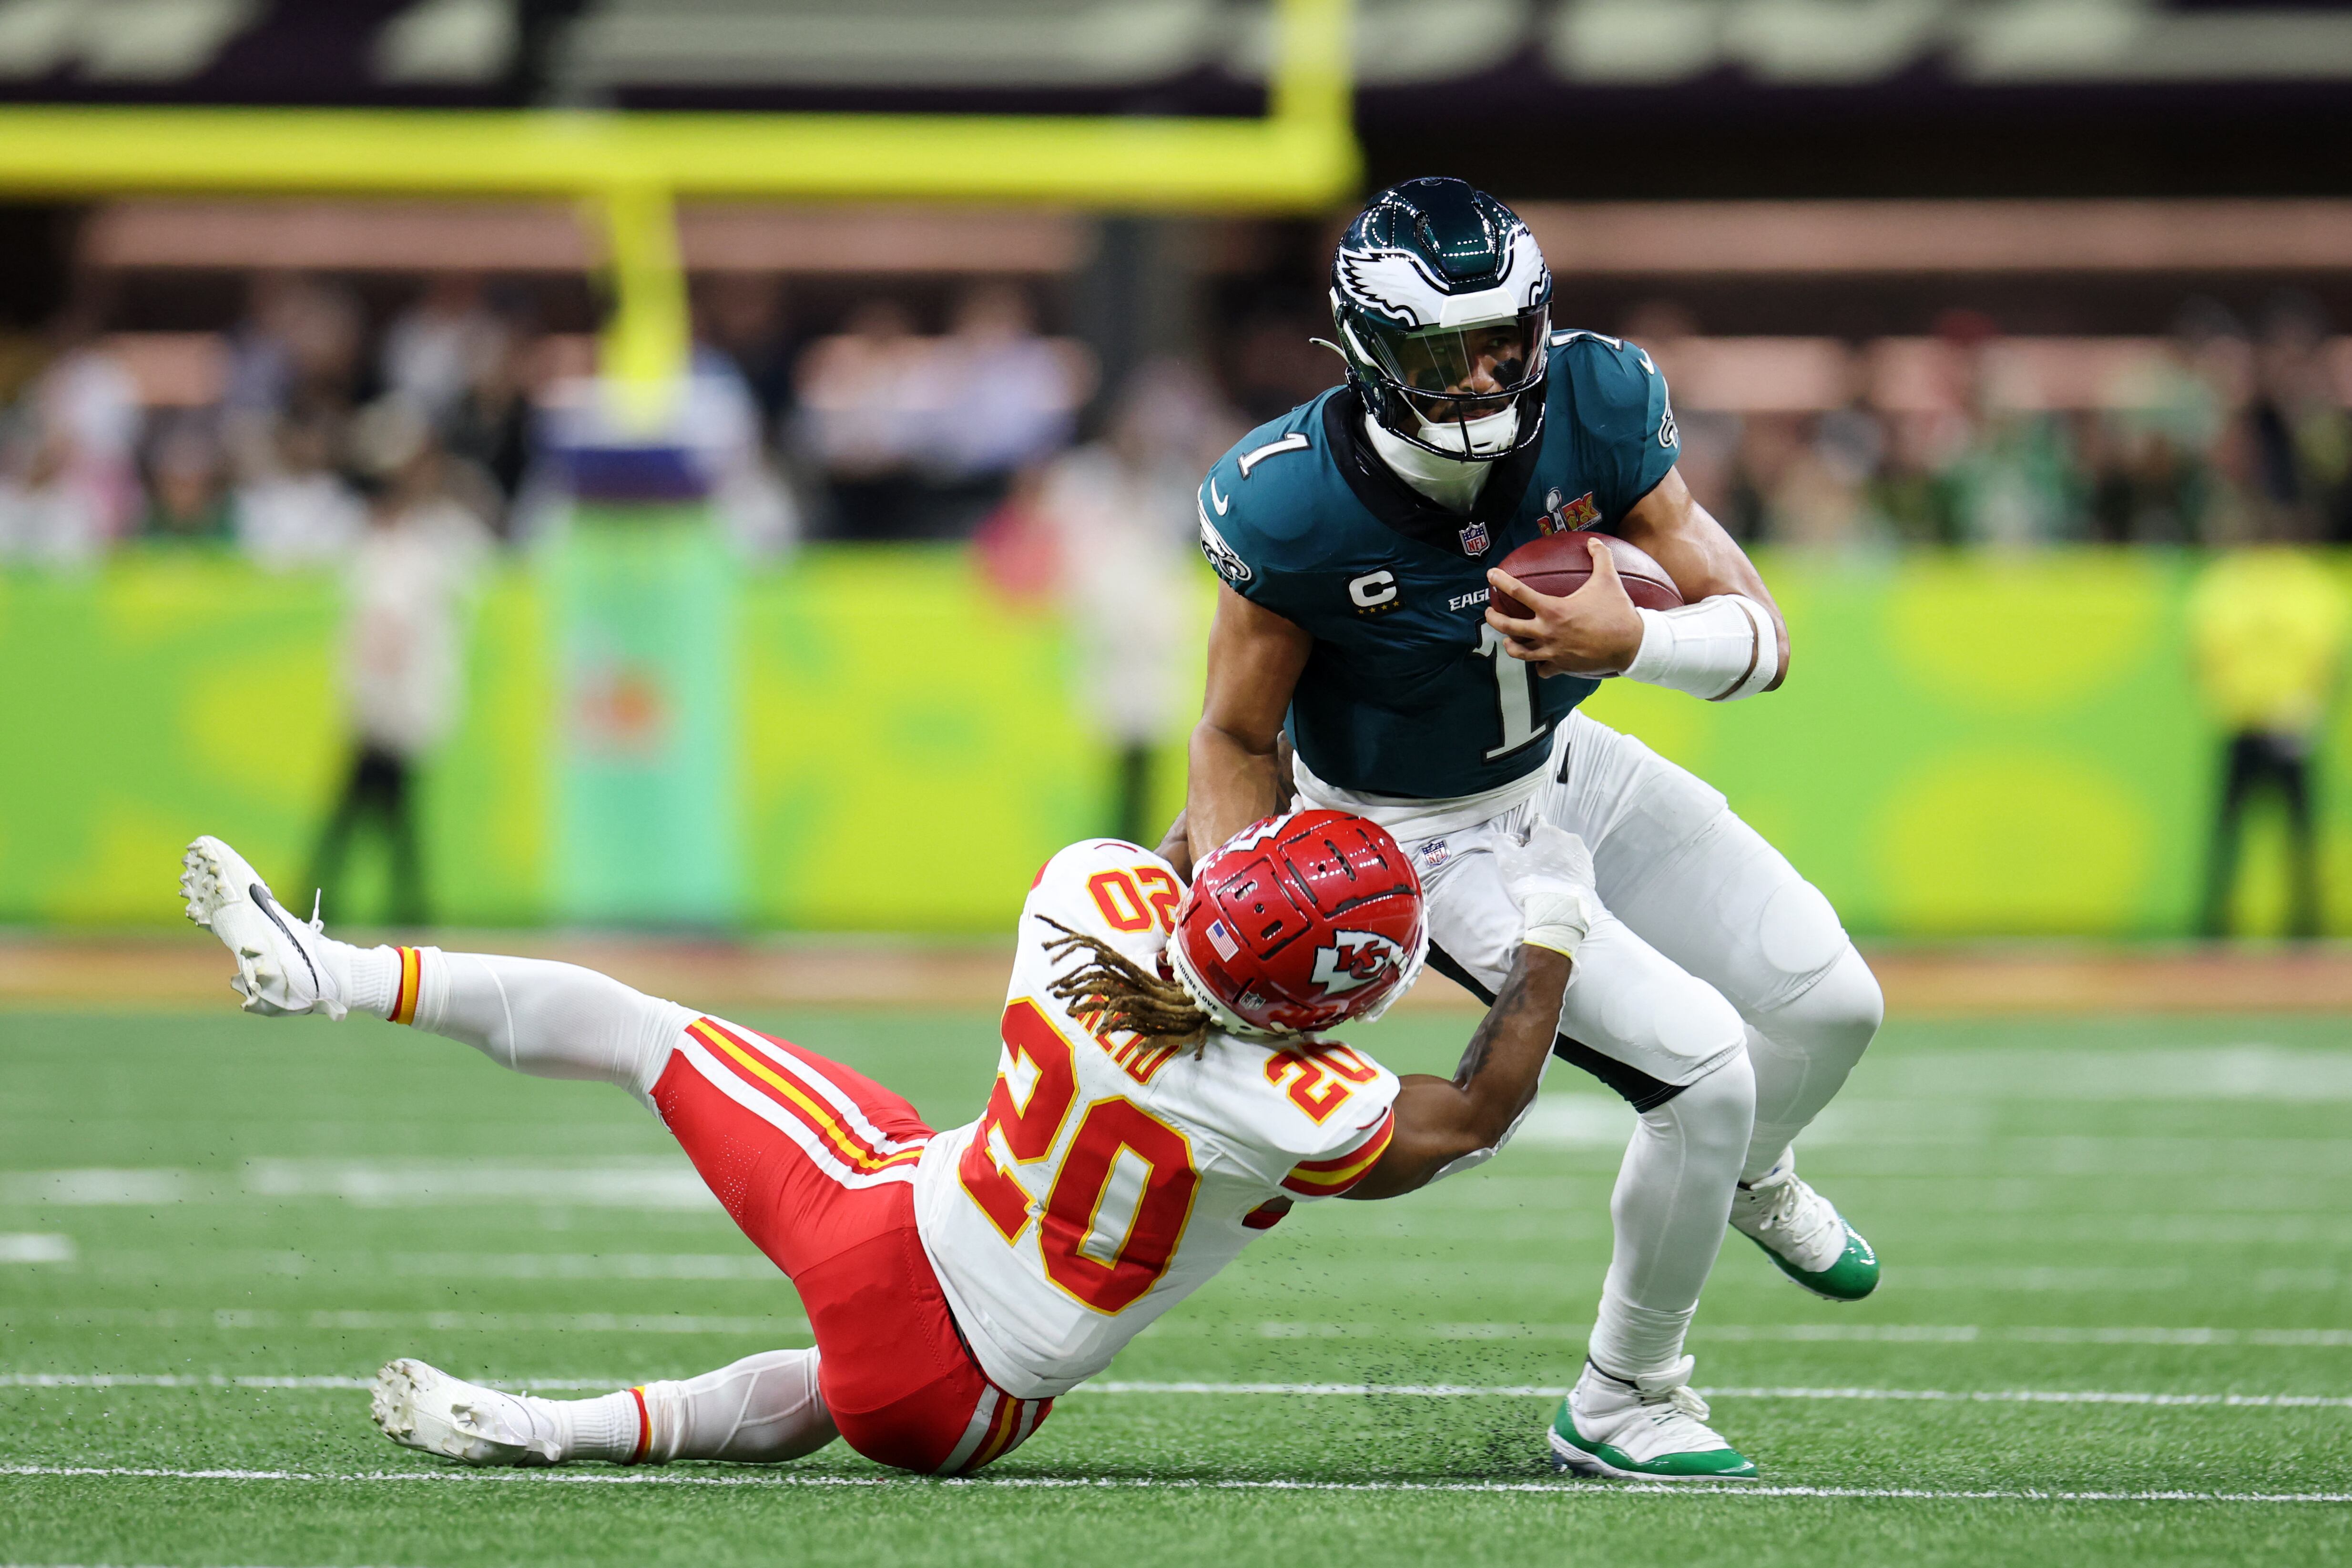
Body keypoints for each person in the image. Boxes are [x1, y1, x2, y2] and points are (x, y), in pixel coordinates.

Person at [173, 810, 1692, 1477]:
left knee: (648, 1035)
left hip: (896, 1225)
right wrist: (1552, 920)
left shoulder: (1089, 898)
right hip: (959, 1413)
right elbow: (1476, 1107)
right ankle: (552, 1426)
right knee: (836, 1391)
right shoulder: (1303, 1102)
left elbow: (1189, 852)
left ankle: (342, 975)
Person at [1181, 178, 1884, 1478]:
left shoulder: (1601, 400)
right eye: (1442, 354)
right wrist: (1237, 899)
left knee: (1833, 1004)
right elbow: (1233, 735)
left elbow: (1761, 639)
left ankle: (1748, 1176)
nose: (1483, 377)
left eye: (1503, 341)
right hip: (1416, 832)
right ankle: (1624, 1398)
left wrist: (1635, 642)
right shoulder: (1292, 502)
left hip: (1568, 766)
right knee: (1702, 1074)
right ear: (1369, 351)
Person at [309, 400, 490, 925]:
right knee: (380, 810)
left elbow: (390, 631)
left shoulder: (415, 548)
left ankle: (336, 897)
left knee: (365, 809)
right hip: (393, 702)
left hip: (393, 703)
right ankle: (405, 903)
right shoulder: (391, 548)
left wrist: (380, 695)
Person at [2189, 541, 2349, 938]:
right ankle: (2217, 919)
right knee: (2232, 831)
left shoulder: (2297, 586)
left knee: (2297, 833)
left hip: (2287, 728)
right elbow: (2205, 655)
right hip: (2247, 726)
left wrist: (2305, 707)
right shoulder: (2235, 584)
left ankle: (2305, 919)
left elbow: (2326, 656)